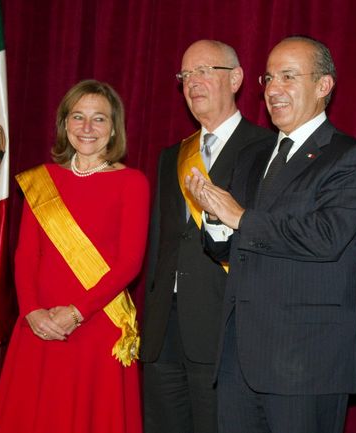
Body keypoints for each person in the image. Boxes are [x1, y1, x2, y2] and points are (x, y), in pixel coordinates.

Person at [186, 36, 356, 433]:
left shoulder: (348, 157)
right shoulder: (253, 156)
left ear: (323, 85)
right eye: (269, 78)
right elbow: (229, 248)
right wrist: (215, 217)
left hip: (305, 361)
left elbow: (326, 237)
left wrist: (240, 217)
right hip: (239, 358)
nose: (273, 89)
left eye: (288, 77)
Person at [0, 80, 149, 433]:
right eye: (78, 116)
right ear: (64, 124)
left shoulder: (133, 182)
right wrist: (32, 311)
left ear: (114, 129)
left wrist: (76, 313)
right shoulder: (42, 180)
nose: (87, 127)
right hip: (40, 325)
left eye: (99, 118)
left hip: (96, 324)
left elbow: (130, 263)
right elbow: (25, 254)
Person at [140, 39, 273, 433]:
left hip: (224, 327)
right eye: (185, 75)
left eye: (203, 71)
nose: (192, 82)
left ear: (236, 79)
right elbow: (162, 243)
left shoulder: (267, 149)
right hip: (164, 329)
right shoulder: (172, 156)